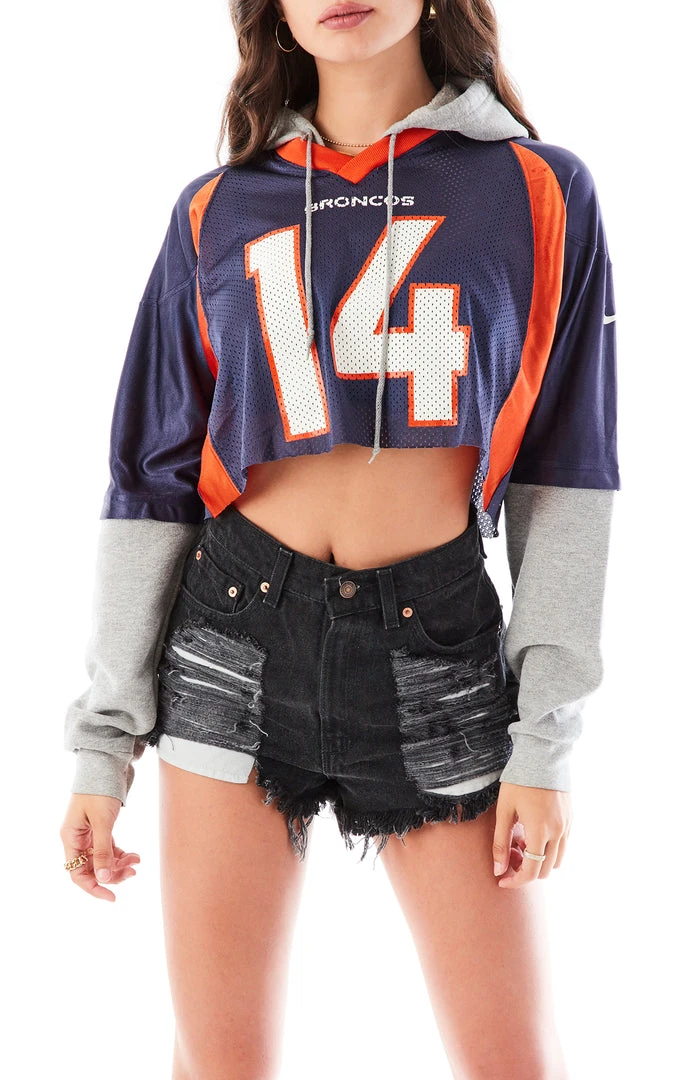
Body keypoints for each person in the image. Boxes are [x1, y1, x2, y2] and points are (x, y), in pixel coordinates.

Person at [60, 2, 620, 1077]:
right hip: (232, 635)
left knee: (514, 1061)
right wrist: (104, 742)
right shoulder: (216, 209)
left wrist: (545, 739)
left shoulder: (539, 189)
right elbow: (151, 479)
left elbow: (568, 469)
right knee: (219, 1063)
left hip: (436, 646)